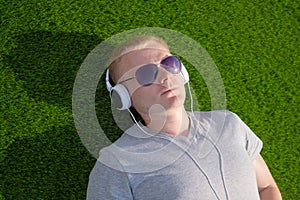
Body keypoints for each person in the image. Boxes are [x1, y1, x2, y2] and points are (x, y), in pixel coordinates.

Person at [87, 36, 281, 200]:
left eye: (169, 63)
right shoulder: (117, 162)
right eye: (147, 73)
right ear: (123, 96)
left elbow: (266, 187)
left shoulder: (229, 124)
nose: (165, 77)